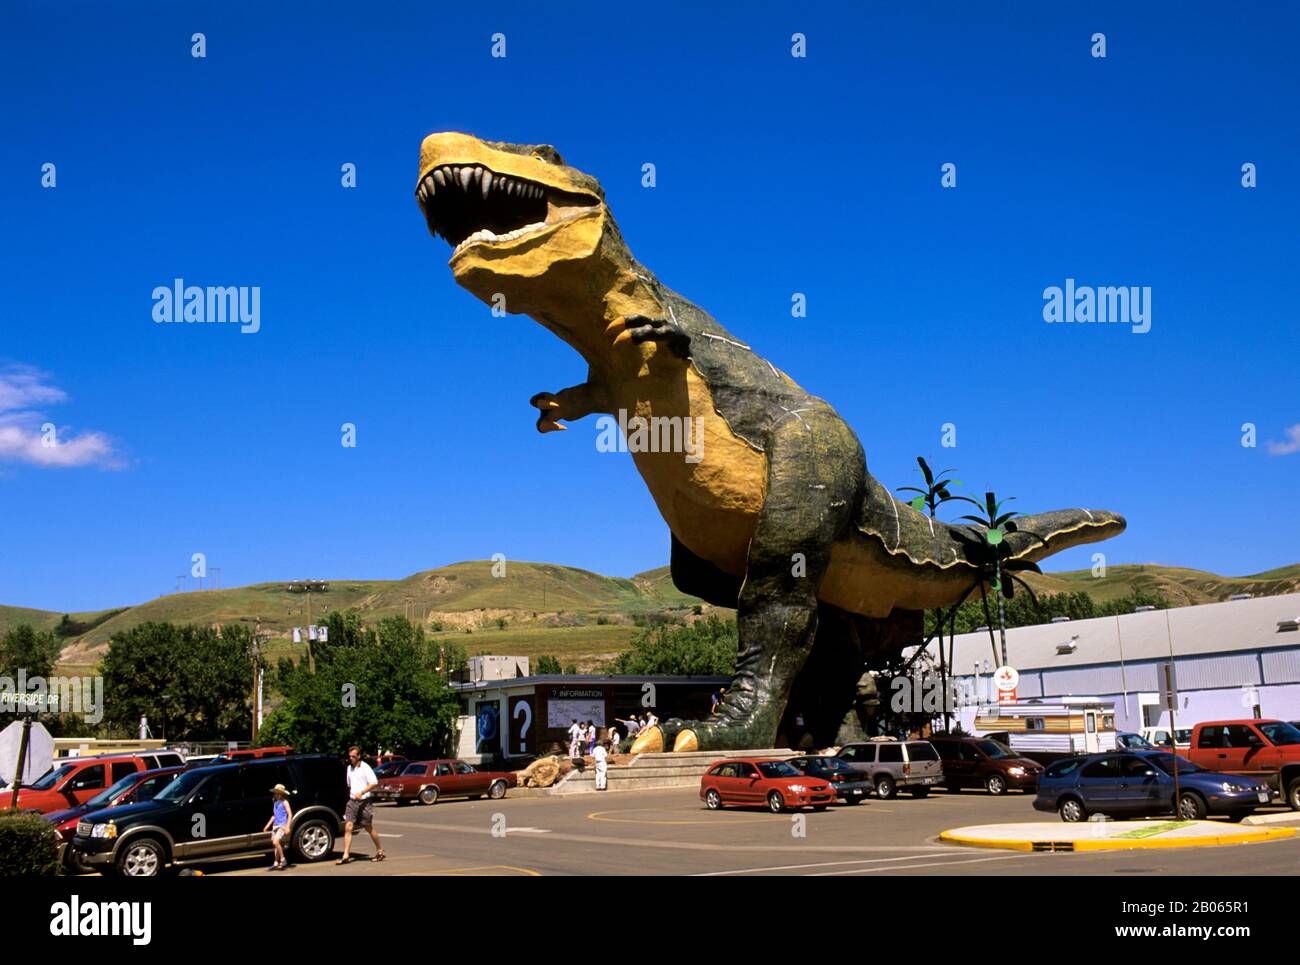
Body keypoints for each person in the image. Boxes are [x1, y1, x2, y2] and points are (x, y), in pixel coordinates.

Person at [338, 745, 385, 864]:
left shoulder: (365, 768)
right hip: (352, 801)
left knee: (368, 827)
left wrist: (362, 792)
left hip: (365, 802)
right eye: (350, 756)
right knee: (348, 827)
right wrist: (353, 794)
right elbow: (350, 784)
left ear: (359, 756)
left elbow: (374, 783)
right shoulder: (349, 768)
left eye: (353, 756)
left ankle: (380, 850)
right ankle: (346, 855)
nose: (351, 758)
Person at [263, 783, 294, 871]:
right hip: (275, 826)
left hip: (282, 825)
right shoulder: (275, 803)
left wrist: (288, 826)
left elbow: (290, 814)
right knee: (276, 845)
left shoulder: (285, 802)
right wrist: (267, 825)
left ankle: (283, 859)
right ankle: (276, 862)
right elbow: (274, 815)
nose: (275, 794)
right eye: (275, 793)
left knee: (275, 842)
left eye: (277, 793)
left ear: (281, 794)